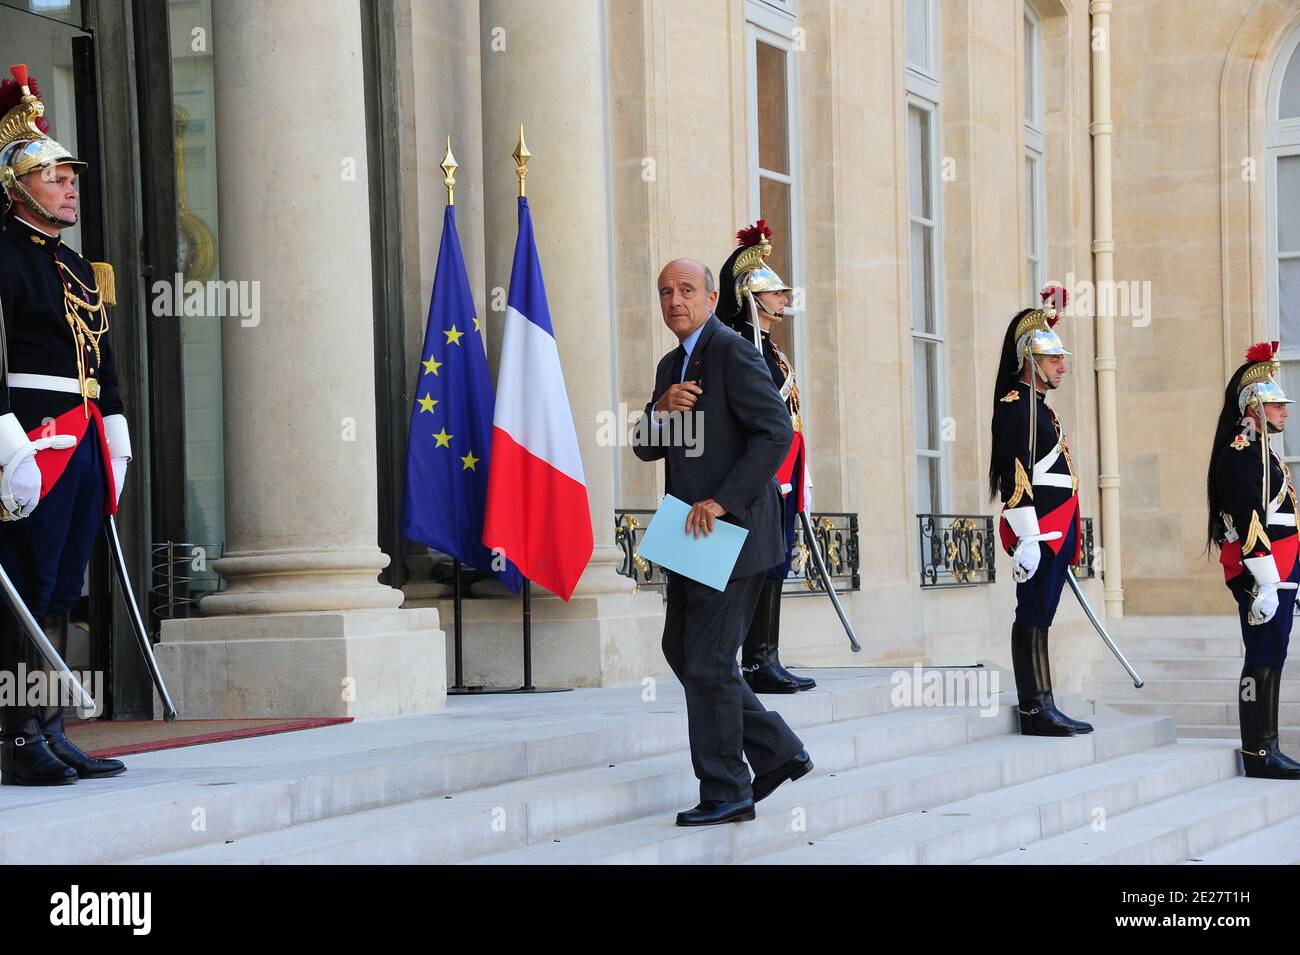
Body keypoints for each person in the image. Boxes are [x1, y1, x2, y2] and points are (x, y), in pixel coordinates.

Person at [632, 257, 810, 826]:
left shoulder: (733, 351)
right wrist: (659, 412)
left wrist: (725, 500)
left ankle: (727, 790)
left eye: (686, 290)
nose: (674, 301)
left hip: (729, 531)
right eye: (665, 292)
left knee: (708, 661)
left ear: (711, 298)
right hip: (685, 533)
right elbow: (646, 447)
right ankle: (777, 749)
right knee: (683, 652)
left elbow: (775, 431)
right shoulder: (670, 364)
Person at [0, 65, 130, 784]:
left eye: (71, 176)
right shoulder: (5, 257)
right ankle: (17, 736)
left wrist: (114, 422)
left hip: (80, 437)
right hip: (30, 434)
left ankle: (51, 723)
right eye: (56, 176)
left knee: (61, 589)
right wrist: (4, 435)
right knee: (26, 579)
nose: (71, 186)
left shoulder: (76, 266)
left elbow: (100, 354)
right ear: (18, 187)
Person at [988, 285, 1092, 737]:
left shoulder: (1041, 410)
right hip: (1040, 529)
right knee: (1031, 612)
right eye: (1054, 361)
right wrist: (1027, 535)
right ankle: (1033, 707)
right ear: (1031, 362)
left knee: (1044, 613)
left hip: (1058, 526)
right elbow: (1015, 476)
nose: (1063, 367)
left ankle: (1045, 700)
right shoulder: (1017, 408)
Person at [715, 220, 814, 694]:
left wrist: (801, 469)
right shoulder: (739, 346)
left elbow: (789, 416)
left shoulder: (771, 349)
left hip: (785, 472)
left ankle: (765, 655)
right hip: (759, 475)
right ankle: (751, 660)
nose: (783, 301)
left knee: (776, 562)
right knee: (755, 565)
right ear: (752, 299)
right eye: (774, 295)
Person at [1207, 341, 1300, 779]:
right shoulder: (1242, 452)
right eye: (1276, 405)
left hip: (1280, 568)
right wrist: (1264, 580)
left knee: (1274, 653)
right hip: (1259, 570)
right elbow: (1244, 519)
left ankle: (1269, 745)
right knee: (1261, 654)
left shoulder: (1264, 451)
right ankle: (1258, 752)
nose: (1285, 411)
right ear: (1255, 407)